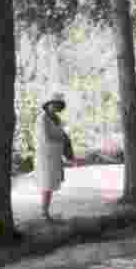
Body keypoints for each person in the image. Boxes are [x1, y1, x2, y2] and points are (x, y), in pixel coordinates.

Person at [35, 91, 75, 222]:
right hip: (46, 156)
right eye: (54, 104)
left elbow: (63, 136)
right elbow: (47, 137)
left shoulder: (57, 120)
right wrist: (62, 139)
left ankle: (45, 212)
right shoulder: (42, 119)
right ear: (48, 104)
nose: (56, 107)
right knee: (46, 184)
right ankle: (44, 212)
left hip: (55, 155)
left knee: (50, 185)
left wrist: (65, 142)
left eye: (58, 105)